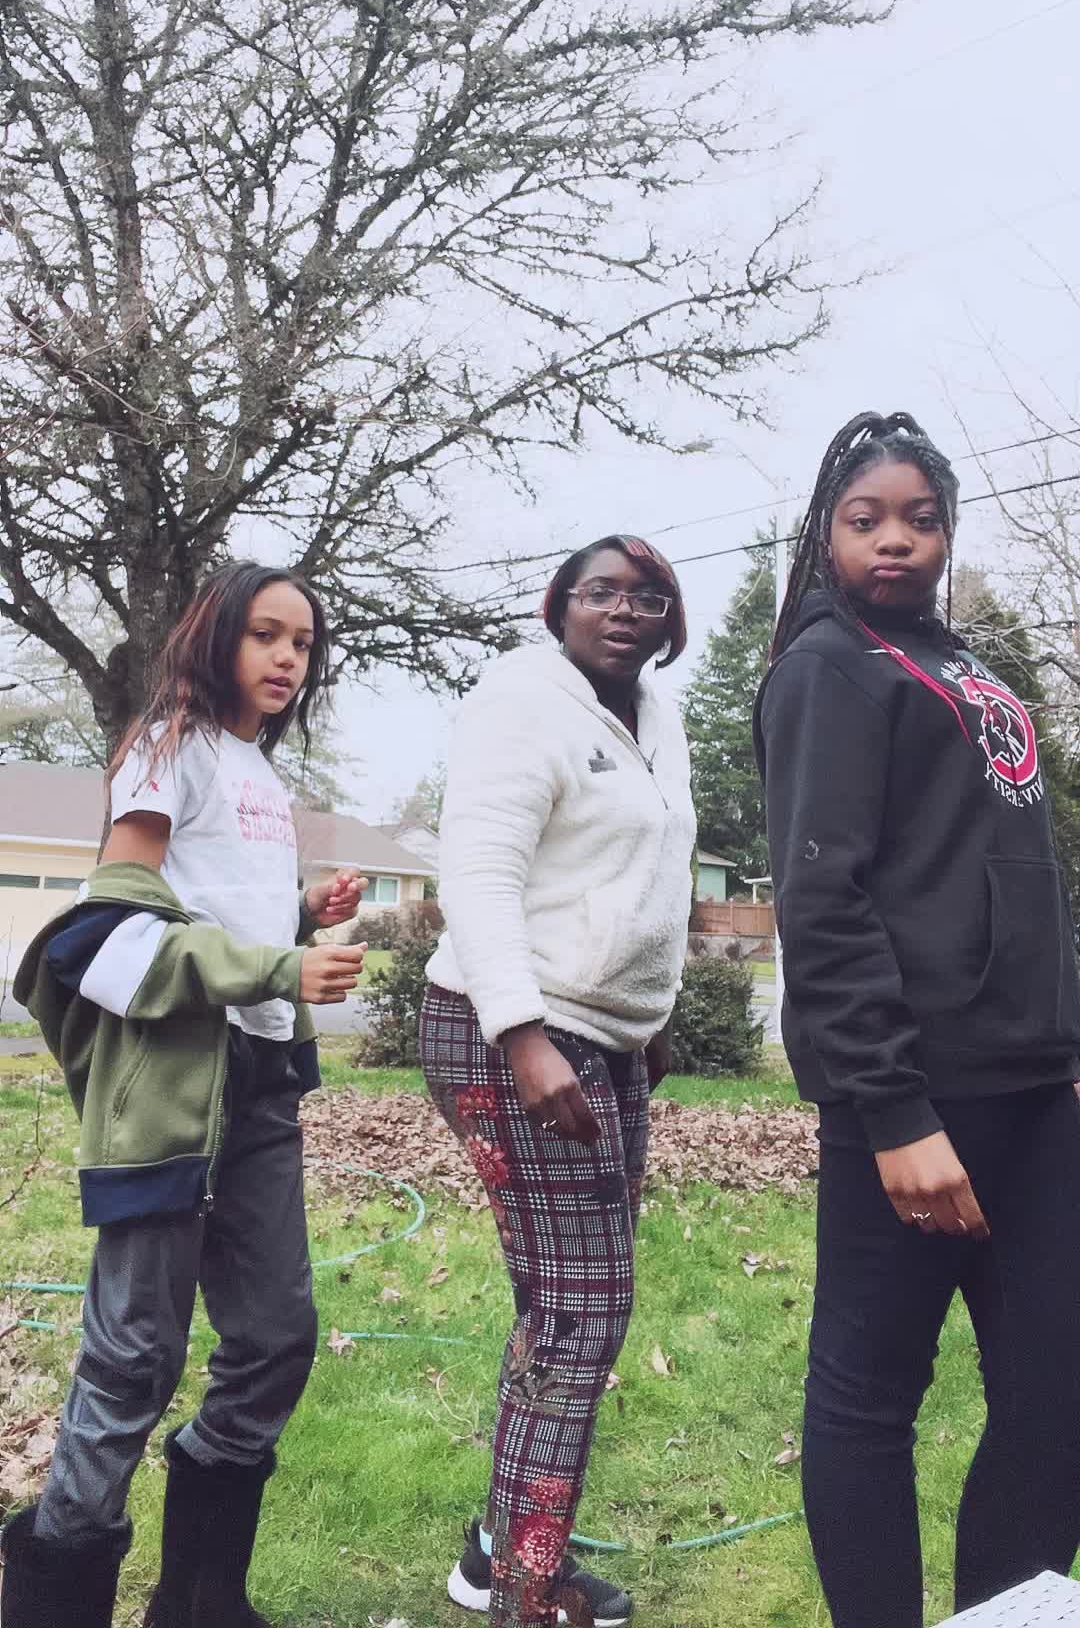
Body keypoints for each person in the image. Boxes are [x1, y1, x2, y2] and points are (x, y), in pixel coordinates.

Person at [753, 412, 1080, 1628]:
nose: (895, 539)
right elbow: (821, 898)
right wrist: (892, 1110)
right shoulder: (827, 667)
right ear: (826, 533)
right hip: (914, 1102)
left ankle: (1006, 1615)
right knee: (870, 1394)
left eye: (921, 519)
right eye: (866, 519)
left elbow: (1025, 874)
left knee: (1058, 1395)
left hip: (1033, 1094)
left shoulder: (960, 665)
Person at [2, 562, 367, 1628]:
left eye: (303, 642)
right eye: (266, 634)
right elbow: (111, 940)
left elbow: (215, 915)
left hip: (259, 1089)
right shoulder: (166, 746)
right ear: (216, 636)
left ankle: (202, 1604)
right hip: (168, 1094)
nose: (288, 658)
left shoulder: (257, 770)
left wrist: (299, 914)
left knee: (275, 1339)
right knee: (134, 1361)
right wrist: (278, 965)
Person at [420, 534, 697, 1628]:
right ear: (559, 606)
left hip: (607, 1037)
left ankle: (500, 1553)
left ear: (671, 619)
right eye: (601, 592)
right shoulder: (520, 701)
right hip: (515, 1032)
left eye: (648, 596)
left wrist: (650, 1021)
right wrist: (523, 1033)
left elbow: (650, 873)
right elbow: (479, 873)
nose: (625, 611)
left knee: (565, 1304)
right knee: (583, 1310)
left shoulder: (656, 714)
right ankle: (528, 1593)